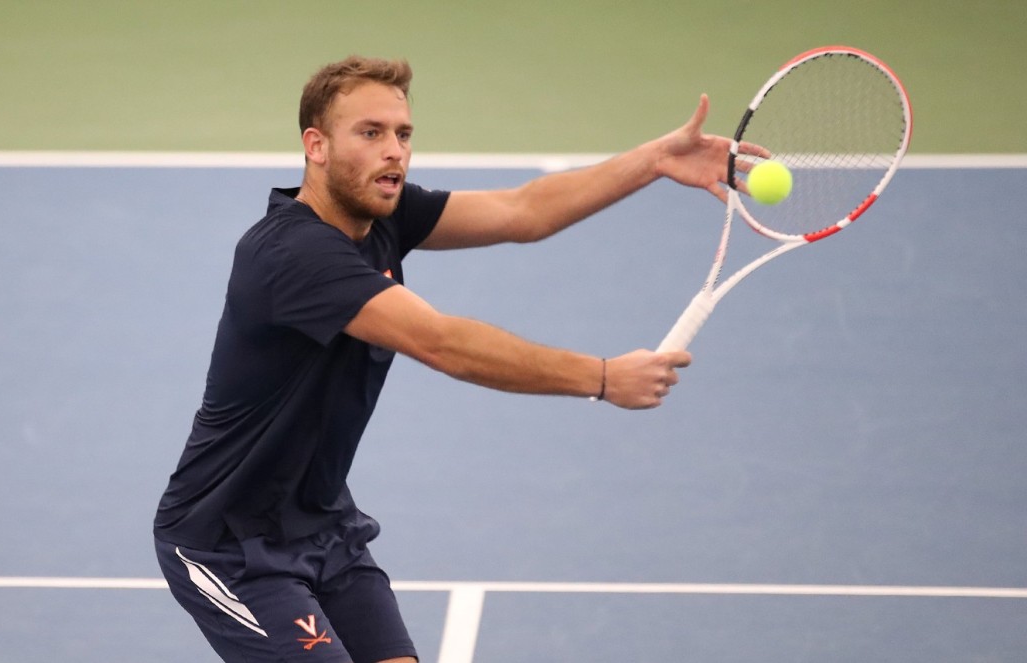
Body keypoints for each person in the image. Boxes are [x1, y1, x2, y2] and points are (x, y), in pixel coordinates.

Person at [154, 55, 758, 663]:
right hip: (226, 544)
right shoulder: (293, 255)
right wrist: (601, 378)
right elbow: (442, 343)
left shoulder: (380, 219)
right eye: (371, 133)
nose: (394, 150)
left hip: (322, 525)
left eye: (403, 134)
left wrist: (653, 161)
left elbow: (522, 212)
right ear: (316, 146)